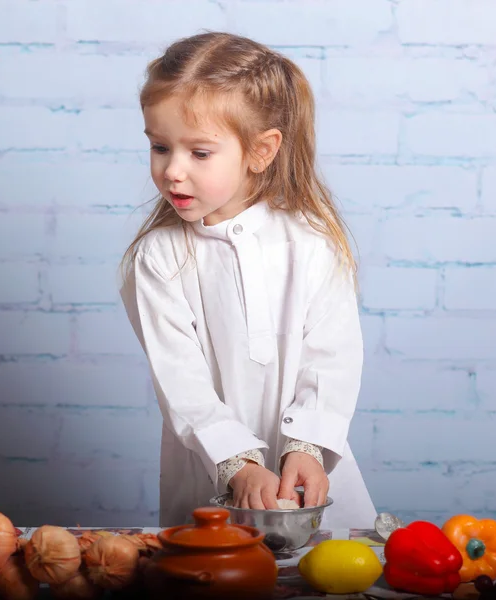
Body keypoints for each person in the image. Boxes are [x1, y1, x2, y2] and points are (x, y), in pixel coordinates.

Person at [120, 31, 377, 529]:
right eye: (159, 146)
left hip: (310, 483)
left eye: (199, 153)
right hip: (209, 476)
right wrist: (236, 460)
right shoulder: (158, 258)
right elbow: (181, 383)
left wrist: (308, 447)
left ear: (261, 151)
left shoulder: (313, 244)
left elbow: (333, 358)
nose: (172, 170)